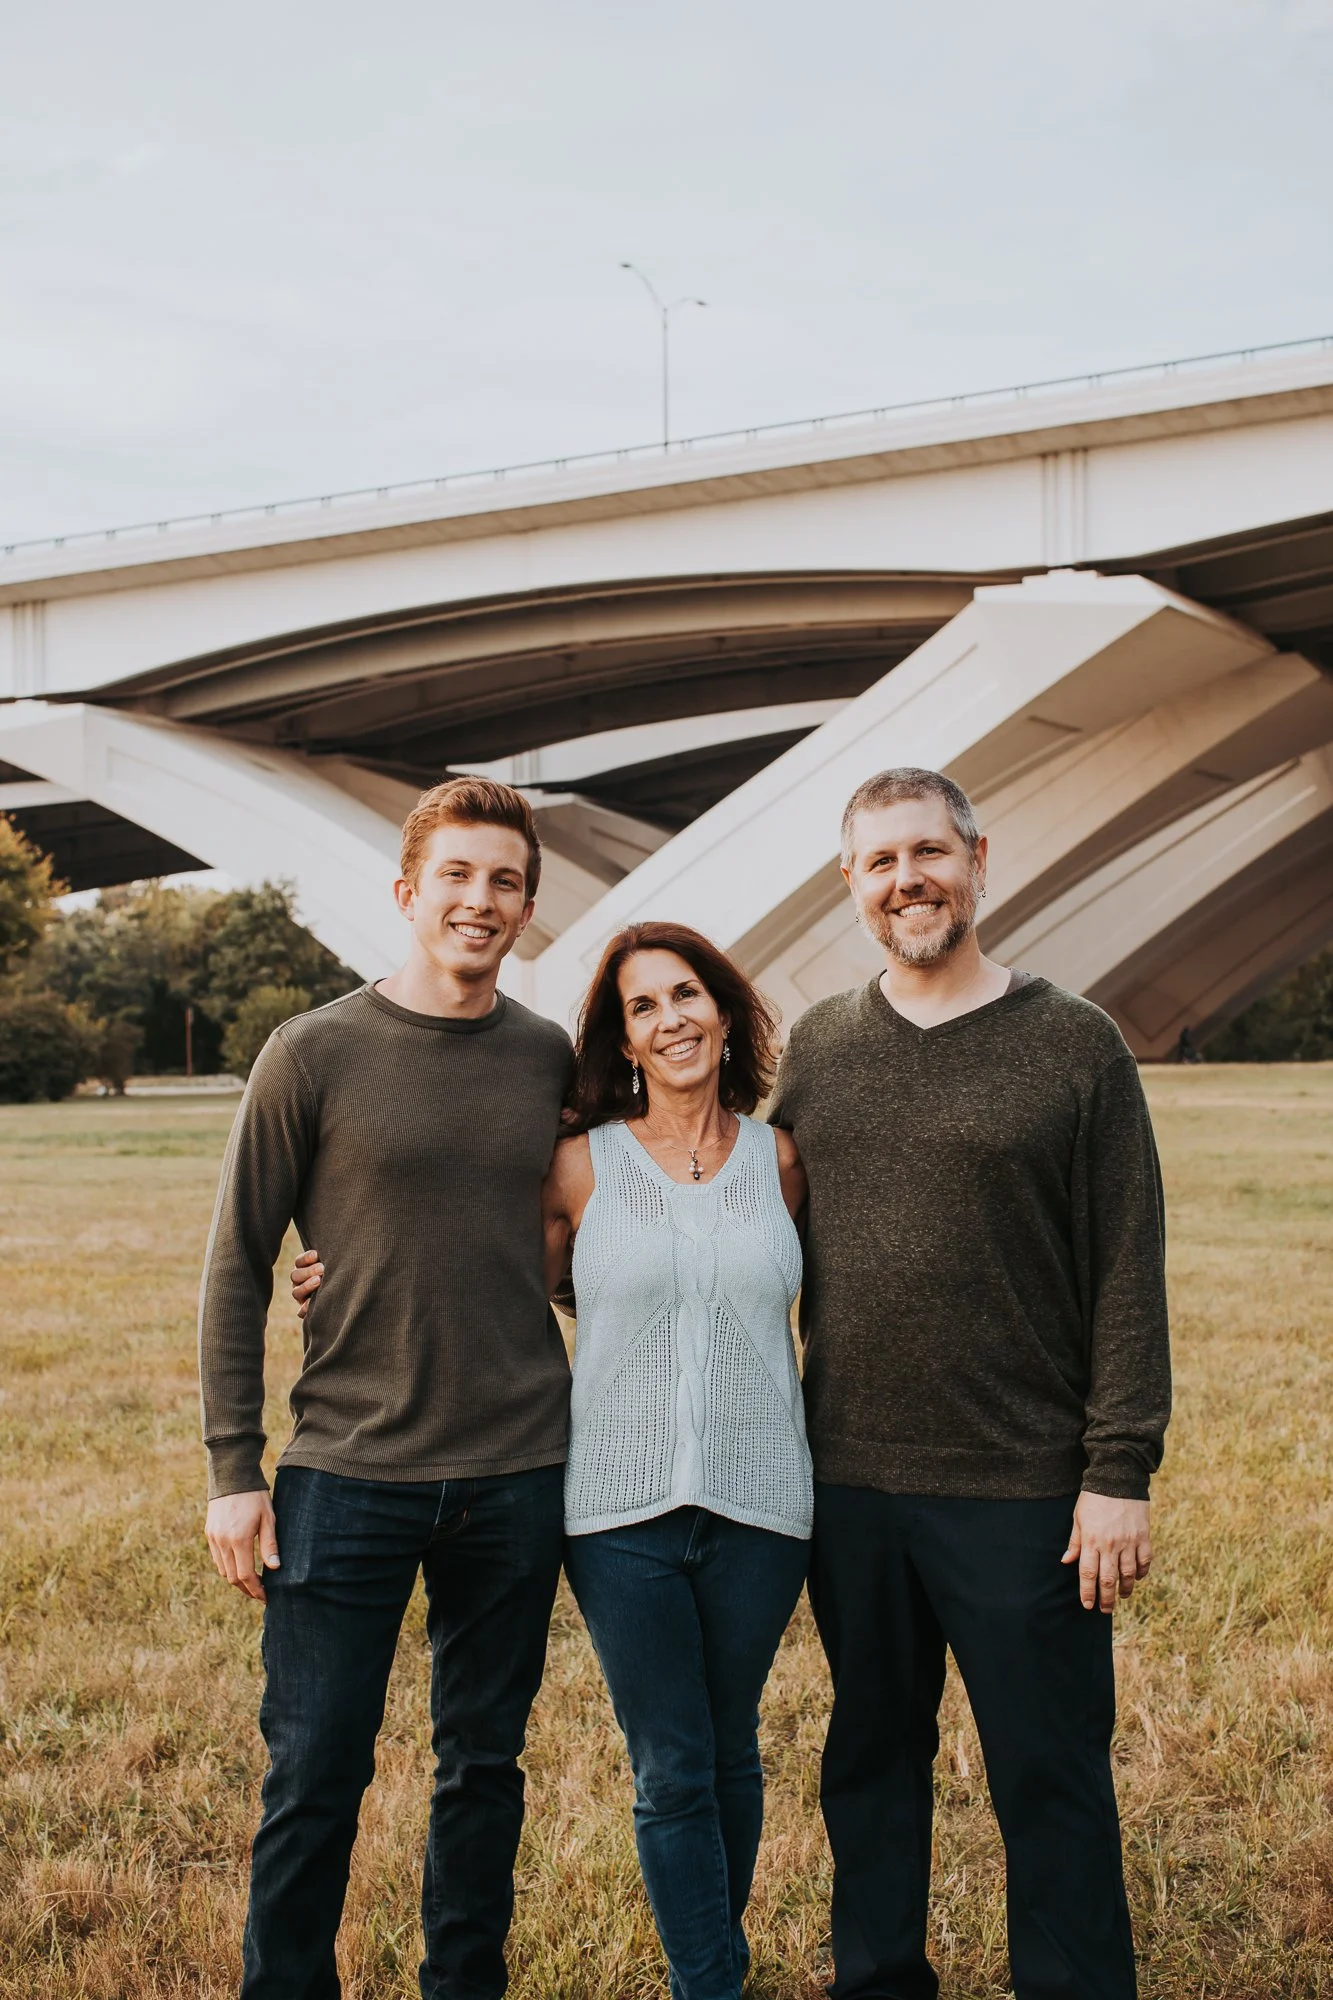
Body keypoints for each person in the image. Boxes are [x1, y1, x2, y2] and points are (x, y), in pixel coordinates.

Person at [296, 921, 813, 2000]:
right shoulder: (581, 1162)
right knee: (671, 1765)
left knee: (732, 1753)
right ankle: (710, 1986)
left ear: (723, 1011)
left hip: (764, 1501)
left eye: (686, 995)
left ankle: (713, 1965)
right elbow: (485, 1270)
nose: (669, 1019)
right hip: (618, 1508)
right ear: (620, 1038)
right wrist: (335, 1272)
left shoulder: (780, 1159)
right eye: (642, 1006)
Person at [768, 766, 1171, 2000]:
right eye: (881, 861)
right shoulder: (819, 1048)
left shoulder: (1074, 1042)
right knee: (870, 1763)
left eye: (929, 851)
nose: (908, 879)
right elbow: (723, 1223)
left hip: (1023, 1491)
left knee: (1048, 1774)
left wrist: (1117, 1473)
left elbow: (1126, 1265)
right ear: (851, 883)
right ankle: (879, 1980)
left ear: (979, 859)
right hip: (849, 1484)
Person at [199, 776, 574, 2000]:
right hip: (346, 1472)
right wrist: (233, 1471)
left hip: (519, 1471)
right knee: (312, 1770)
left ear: (528, 902)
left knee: (484, 1761)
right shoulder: (311, 1051)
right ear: (408, 892)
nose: (480, 899)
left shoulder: (547, 1055)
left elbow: (570, 1239)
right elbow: (238, 1259)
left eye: (504, 879)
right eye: (456, 876)